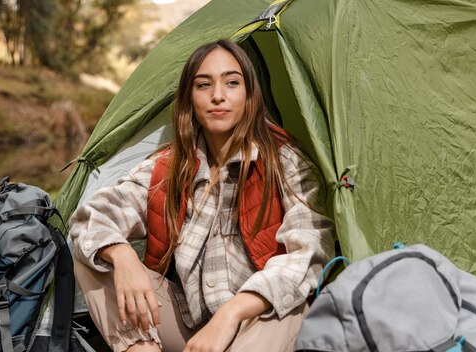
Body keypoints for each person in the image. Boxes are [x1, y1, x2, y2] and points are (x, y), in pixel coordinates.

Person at [70, 39, 335, 352]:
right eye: (203, 85)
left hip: (258, 321)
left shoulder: (285, 161)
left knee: (287, 302)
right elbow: (91, 217)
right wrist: (123, 256)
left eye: (232, 83)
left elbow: (311, 252)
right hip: (186, 325)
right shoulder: (169, 166)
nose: (218, 96)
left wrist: (230, 313)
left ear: (250, 95)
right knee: (93, 255)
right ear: (189, 99)